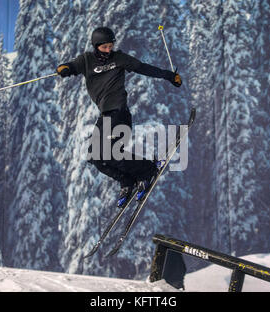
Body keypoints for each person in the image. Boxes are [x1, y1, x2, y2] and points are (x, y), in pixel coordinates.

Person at [56, 27, 182, 207]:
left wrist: (169, 76)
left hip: (119, 113)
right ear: (96, 46)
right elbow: (72, 66)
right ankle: (127, 181)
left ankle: (147, 169)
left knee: (109, 153)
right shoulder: (86, 60)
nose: (108, 50)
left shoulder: (119, 58)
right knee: (96, 158)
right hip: (105, 115)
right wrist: (65, 68)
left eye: (110, 46)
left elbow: (142, 67)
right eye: (104, 47)